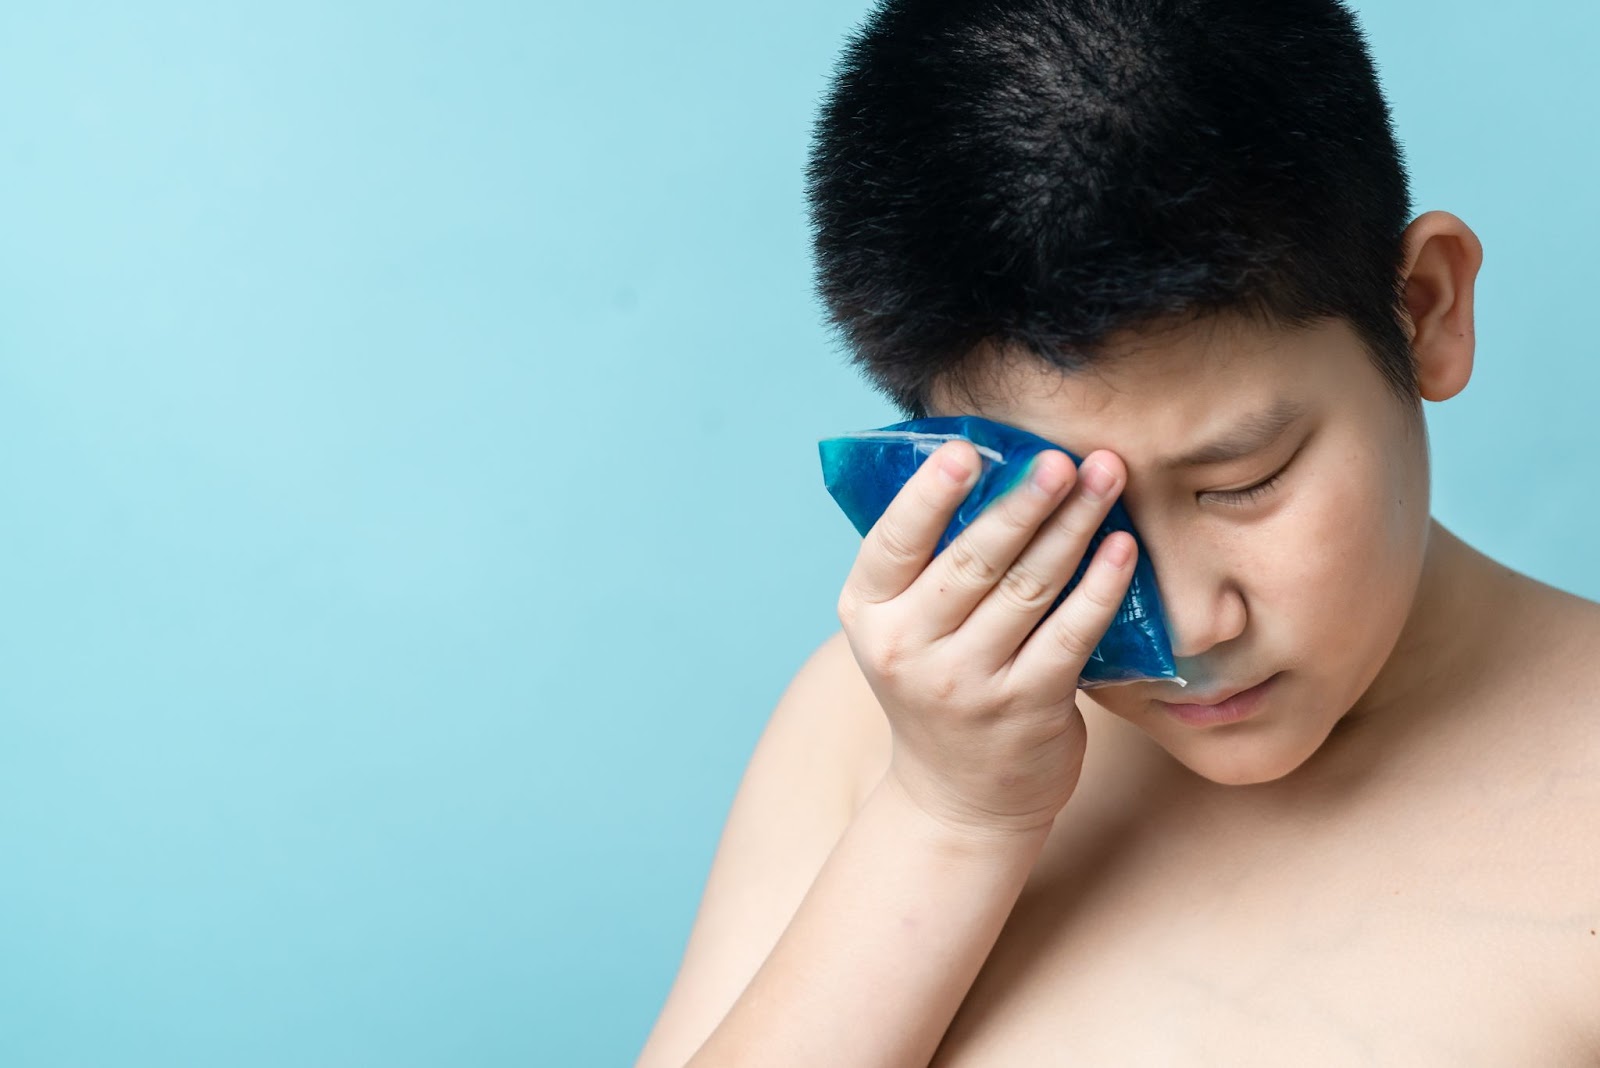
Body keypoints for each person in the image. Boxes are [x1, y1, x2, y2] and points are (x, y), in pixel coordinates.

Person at [637, 0, 1600, 1062]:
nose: (1183, 625)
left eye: (1244, 480)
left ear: (1421, 309)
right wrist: (948, 819)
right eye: (1053, 520)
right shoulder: (877, 731)